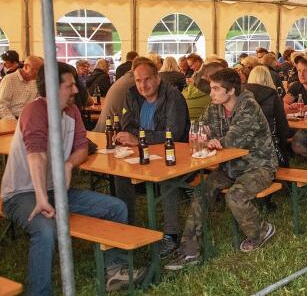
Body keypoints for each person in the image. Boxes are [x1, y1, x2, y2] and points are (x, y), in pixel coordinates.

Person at [2, 62, 139, 293]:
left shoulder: (72, 111)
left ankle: (116, 271)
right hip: (21, 193)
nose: (76, 90)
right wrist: (41, 197)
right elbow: (36, 157)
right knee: (46, 229)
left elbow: (82, 148)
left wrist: (68, 165)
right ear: (53, 88)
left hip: (56, 191)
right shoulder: (34, 111)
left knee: (116, 207)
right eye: (70, 85)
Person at [166, 68, 278, 269]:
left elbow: (234, 139)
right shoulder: (215, 107)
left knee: (234, 195)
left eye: (216, 89)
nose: (211, 93)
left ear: (231, 90)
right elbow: (199, 129)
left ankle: (262, 231)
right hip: (230, 167)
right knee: (201, 193)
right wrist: (204, 136)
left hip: (259, 166)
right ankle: (190, 251)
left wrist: (214, 141)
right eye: (211, 88)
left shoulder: (249, 106)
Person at [114, 57, 190, 258]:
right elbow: (126, 124)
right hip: (142, 152)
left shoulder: (173, 97)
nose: (142, 85)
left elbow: (172, 133)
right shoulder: (131, 95)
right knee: (119, 173)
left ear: (157, 78)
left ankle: (171, 235)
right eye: (138, 80)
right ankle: (126, 227)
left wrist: (138, 138)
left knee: (167, 179)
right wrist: (134, 138)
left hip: (173, 155)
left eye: (147, 79)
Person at [246, 66, 291, 166]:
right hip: (269, 147)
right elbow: (282, 126)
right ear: (269, 78)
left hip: (246, 147)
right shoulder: (273, 96)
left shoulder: (241, 96)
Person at [0, 55, 42, 120]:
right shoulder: (10, 79)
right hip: (13, 118)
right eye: (37, 70)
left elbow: (38, 101)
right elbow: (2, 105)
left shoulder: (35, 81)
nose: (38, 74)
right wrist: (13, 121)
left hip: (29, 119)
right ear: (26, 67)